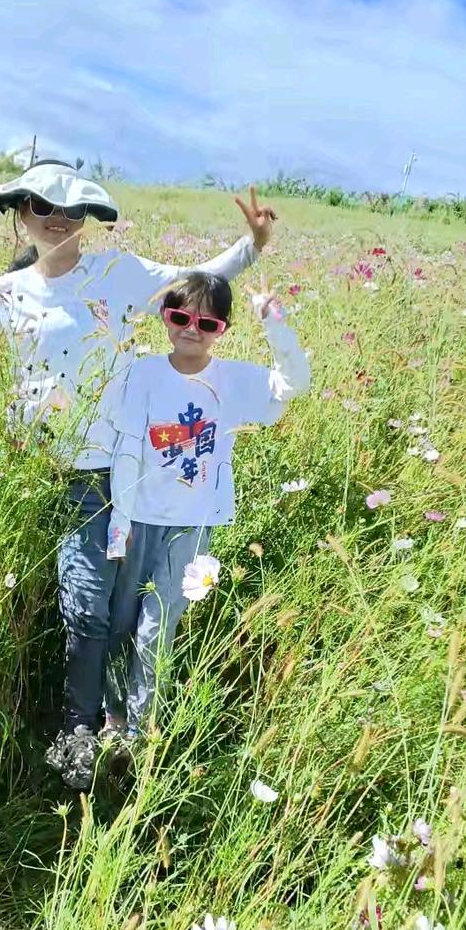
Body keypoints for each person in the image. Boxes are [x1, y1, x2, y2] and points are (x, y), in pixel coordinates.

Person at [0, 160, 278, 789]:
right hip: (51, 472)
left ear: (87, 220)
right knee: (85, 608)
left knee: (116, 610)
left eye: (69, 211)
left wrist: (253, 246)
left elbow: (198, 280)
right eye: (39, 207)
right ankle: (80, 727)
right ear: (20, 215)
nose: (55, 219)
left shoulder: (118, 273)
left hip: (127, 470)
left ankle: (110, 725)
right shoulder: (9, 292)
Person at [103, 271, 310, 747]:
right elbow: (129, 446)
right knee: (120, 621)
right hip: (136, 519)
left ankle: (138, 733)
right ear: (165, 317)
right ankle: (113, 719)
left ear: (224, 329)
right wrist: (119, 520)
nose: (191, 329)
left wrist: (274, 323)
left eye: (207, 323)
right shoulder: (144, 372)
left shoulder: (234, 380)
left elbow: (294, 384)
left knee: (158, 627)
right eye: (180, 317)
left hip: (191, 528)